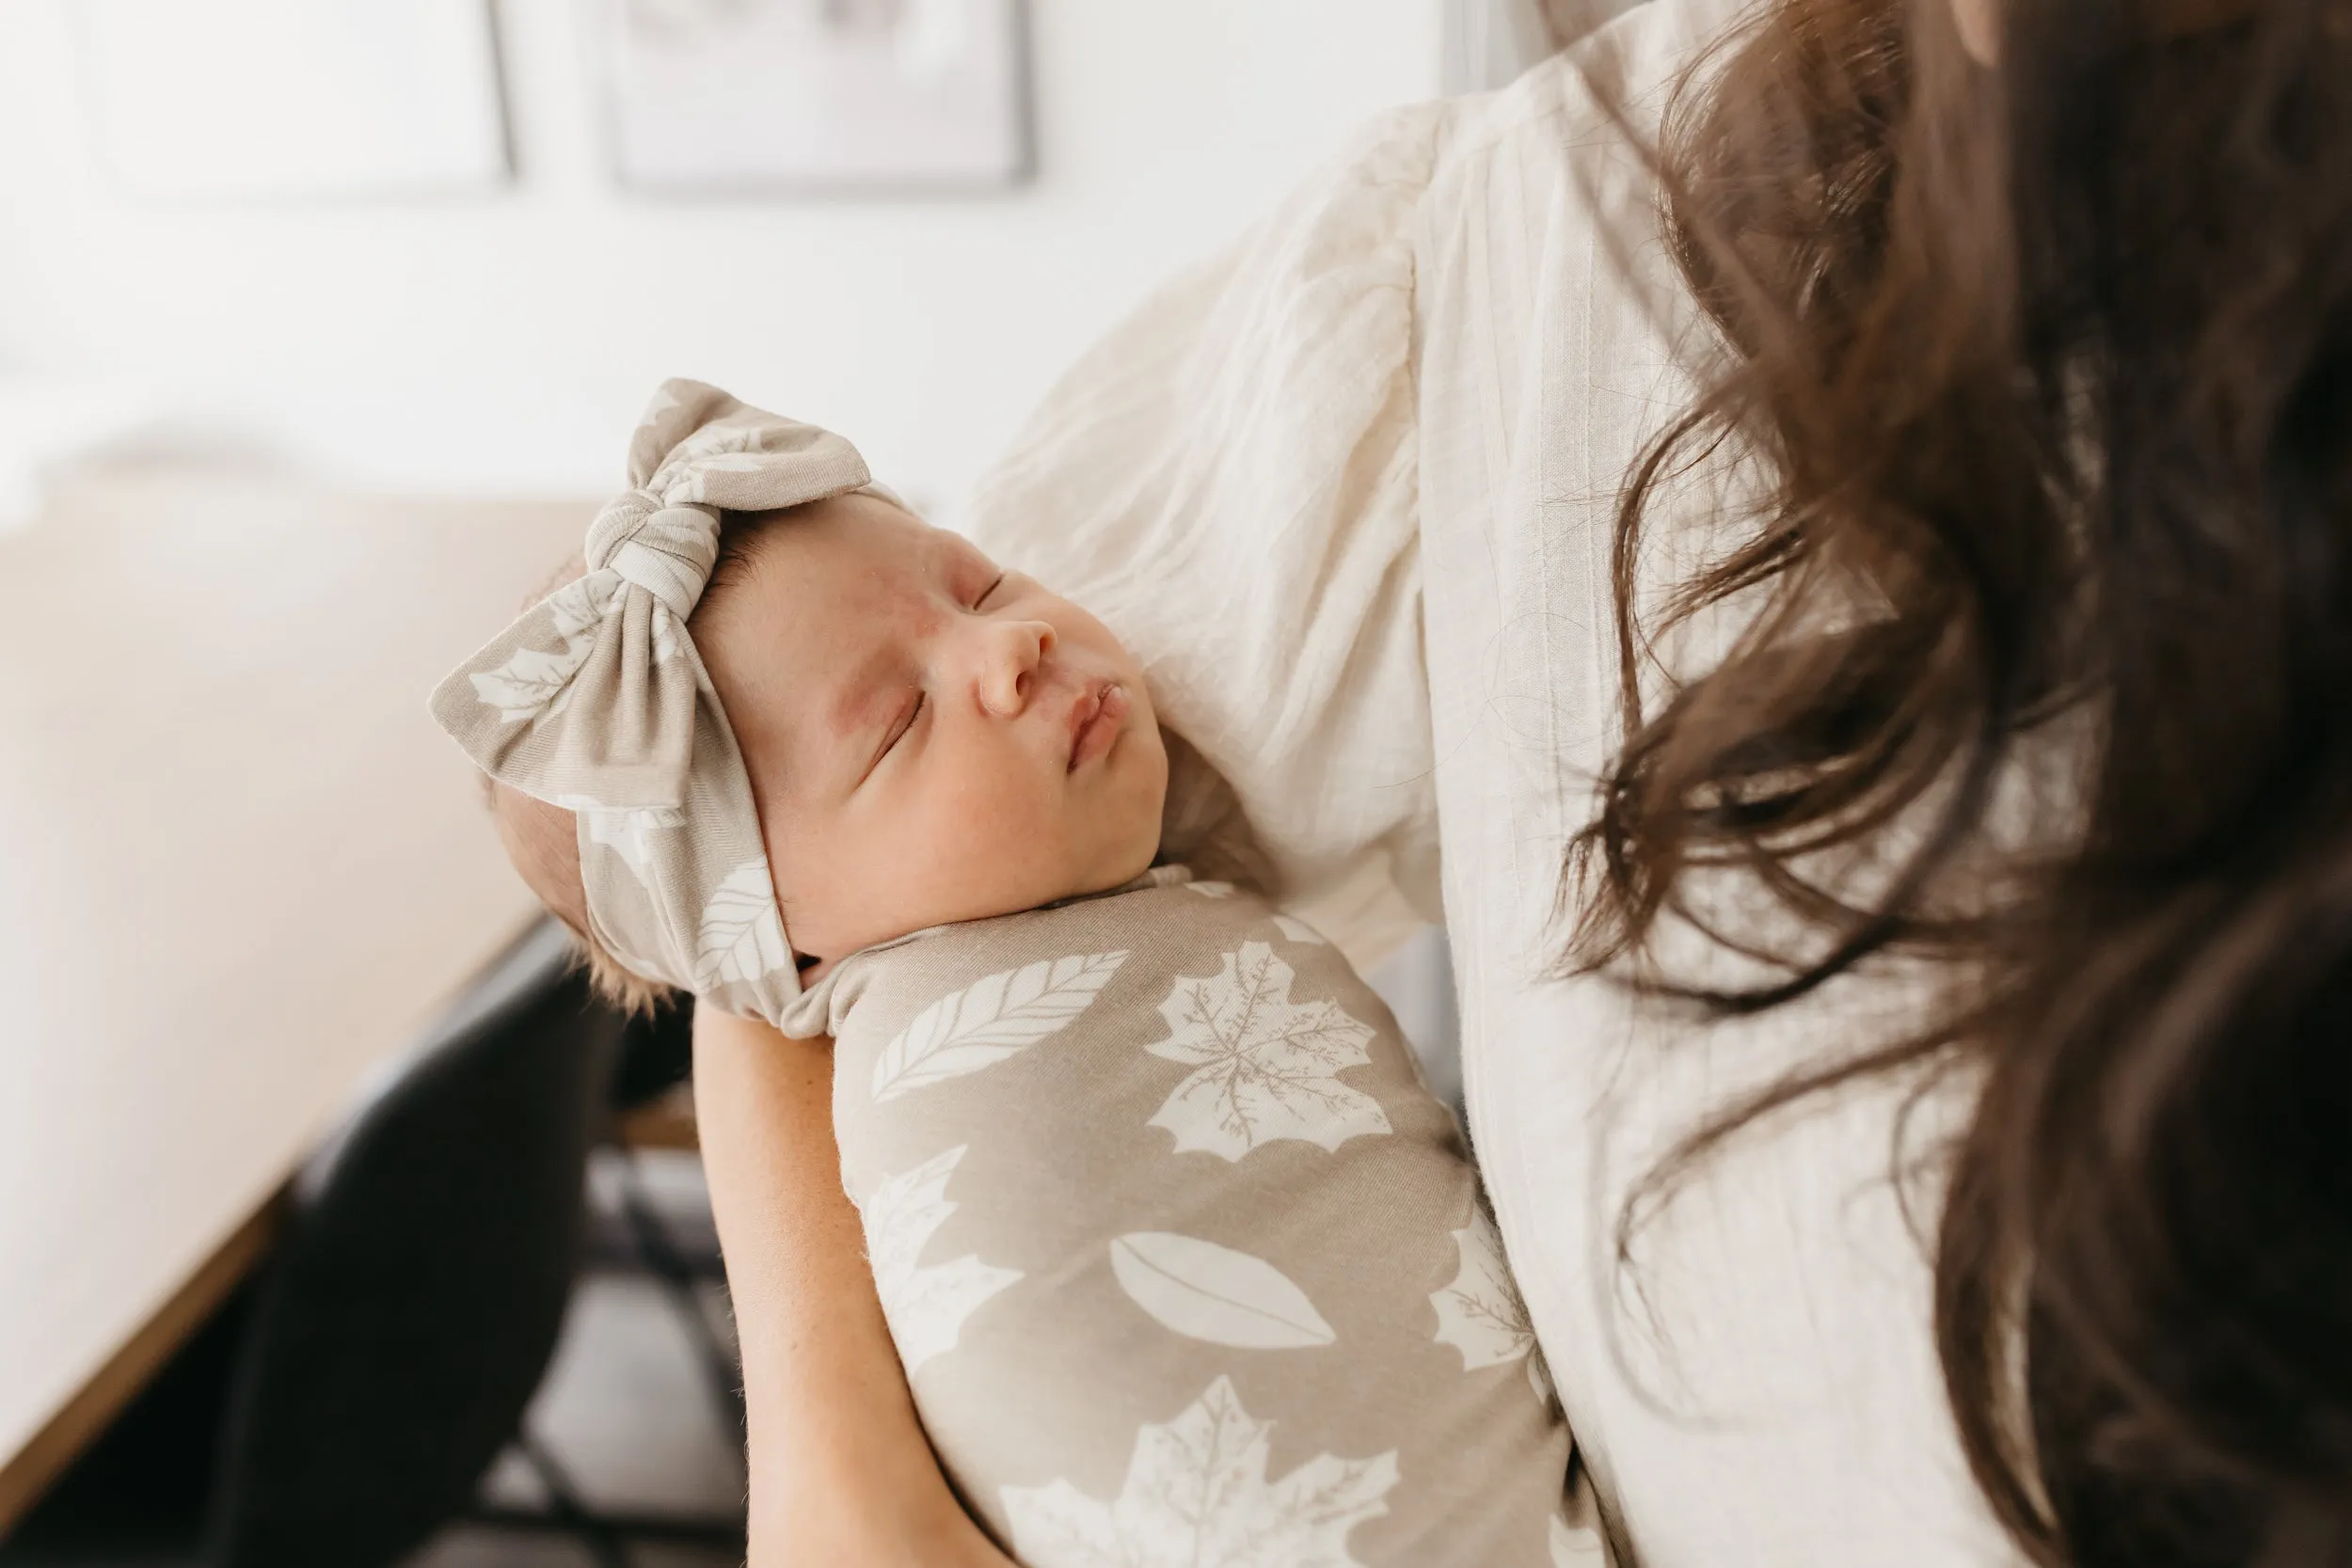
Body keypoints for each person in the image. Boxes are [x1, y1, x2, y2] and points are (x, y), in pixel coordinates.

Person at [698, 0, 2352, 1562]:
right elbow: (749, 876)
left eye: (985, 606)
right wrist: (828, 1471)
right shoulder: (1556, 242)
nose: (996, 648)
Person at [432, 385, 1585, 1565]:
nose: (1008, 649)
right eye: (897, 725)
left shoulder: (1034, 904)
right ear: (785, 942)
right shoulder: (943, 1048)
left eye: (976, 584)